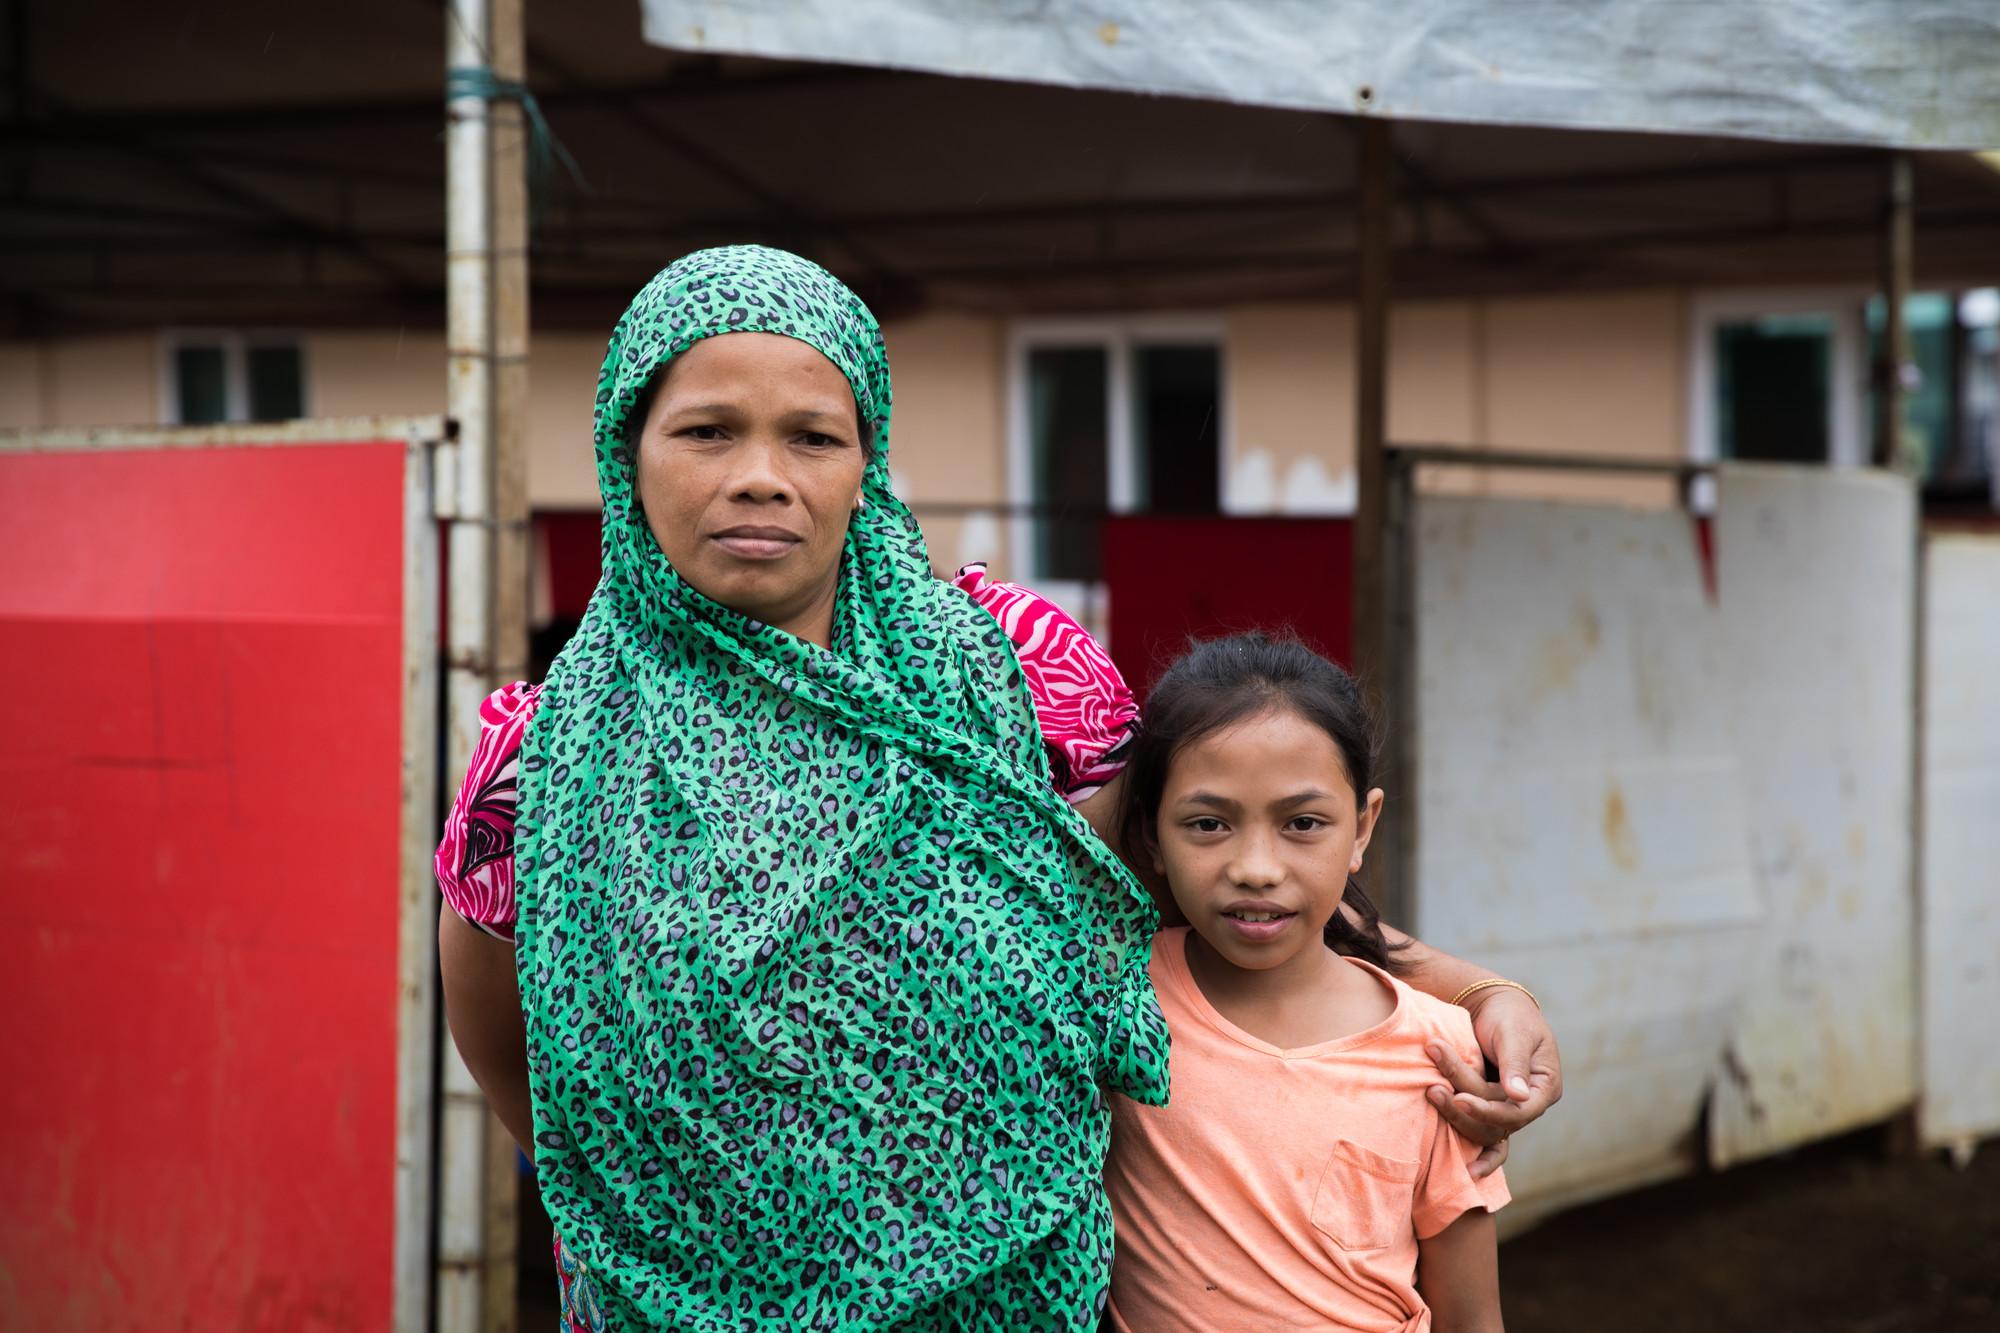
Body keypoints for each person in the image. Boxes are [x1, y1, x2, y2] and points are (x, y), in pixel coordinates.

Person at [435, 245, 1558, 1330]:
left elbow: (1203, 870)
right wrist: (660, 1191)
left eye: (812, 437)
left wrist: (1470, 989)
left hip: (1014, 1297)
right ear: (624, 451)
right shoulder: (545, 765)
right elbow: (506, 1045)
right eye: (705, 431)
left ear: (864, 462)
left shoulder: (1015, 673)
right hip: (671, 1299)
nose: (761, 477)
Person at [1105, 633, 1512, 1332]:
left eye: (1302, 822)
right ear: (1149, 838)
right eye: (1208, 823)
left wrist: (1498, 996)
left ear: (1362, 828)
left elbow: (1472, 1319)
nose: (1256, 867)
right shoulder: (1114, 999)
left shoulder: (1439, 1055)